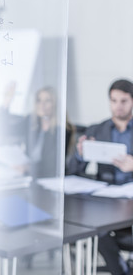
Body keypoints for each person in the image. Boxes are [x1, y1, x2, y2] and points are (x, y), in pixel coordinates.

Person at [67, 78, 133, 275]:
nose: (118, 106)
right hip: (108, 201)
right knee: (94, 228)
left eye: (123, 101)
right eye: (114, 101)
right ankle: (120, 271)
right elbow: (72, 170)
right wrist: (80, 153)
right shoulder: (97, 130)